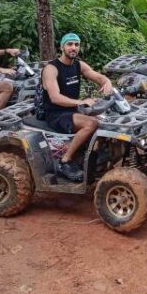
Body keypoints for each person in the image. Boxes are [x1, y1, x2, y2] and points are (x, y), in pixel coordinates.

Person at [41, 32, 114, 183]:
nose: (73, 48)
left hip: (72, 110)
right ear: (62, 47)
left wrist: (107, 82)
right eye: (69, 44)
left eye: (76, 44)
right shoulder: (52, 68)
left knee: (107, 119)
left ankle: (93, 155)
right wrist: (80, 102)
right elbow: (55, 97)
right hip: (56, 113)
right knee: (91, 123)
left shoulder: (78, 65)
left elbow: (96, 75)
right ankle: (65, 161)